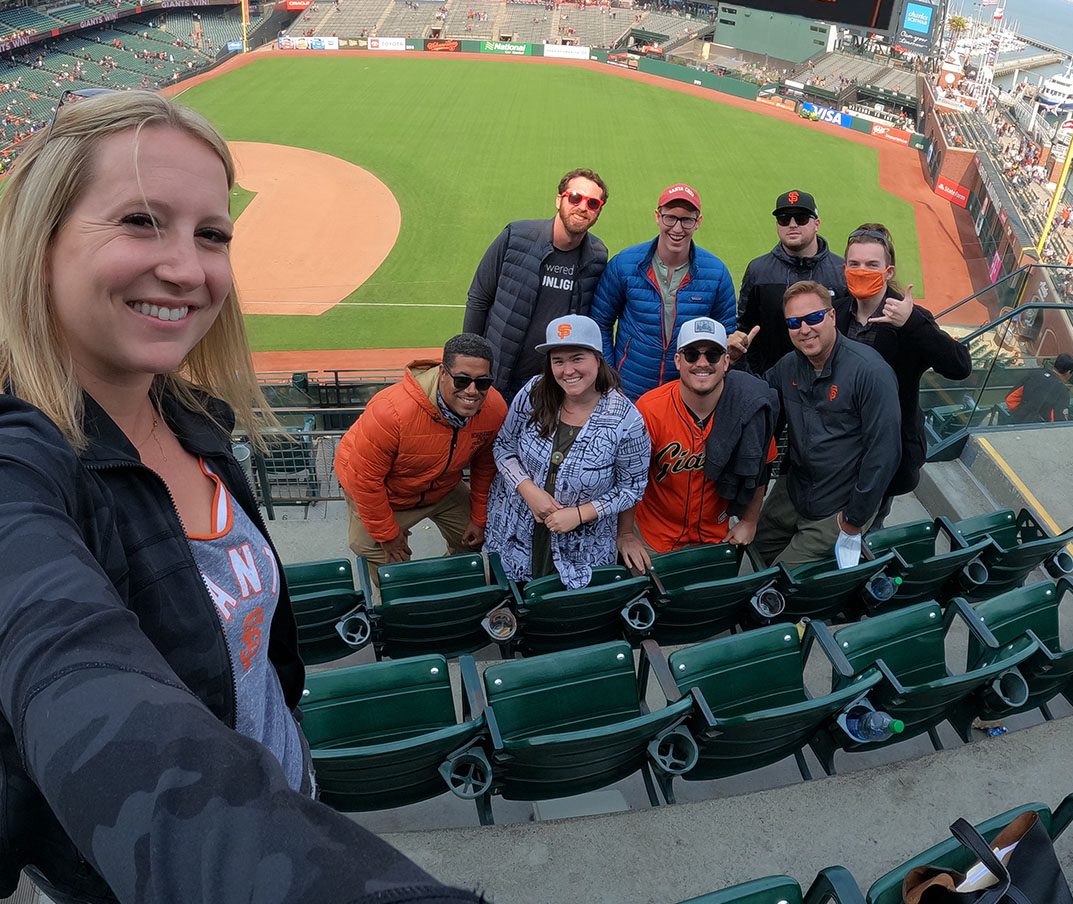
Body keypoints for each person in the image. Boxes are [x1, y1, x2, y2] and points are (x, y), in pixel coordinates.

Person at [0, 93, 480, 903]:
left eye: (213, 234)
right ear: (38, 244)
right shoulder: (20, 472)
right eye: (141, 222)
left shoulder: (194, 419)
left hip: (288, 789)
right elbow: (80, 679)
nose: (188, 268)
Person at [484, 314, 650, 589]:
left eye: (577, 358)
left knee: (566, 614)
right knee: (514, 607)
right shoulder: (534, 392)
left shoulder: (626, 419)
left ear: (597, 357)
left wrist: (580, 514)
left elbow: (632, 488)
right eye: (557, 361)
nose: (567, 370)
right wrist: (529, 490)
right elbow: (504, 446)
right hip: (515, 532)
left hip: (583, 547)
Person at [334, 333, 507, 581]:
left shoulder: (494, 407)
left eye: (482, 383)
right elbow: (365, 480)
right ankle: (396, 603)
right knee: (384, 557)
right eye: (461, 380)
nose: (472, 391)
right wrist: (388, 536)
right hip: (386, 492)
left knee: (474, 539)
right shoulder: (391, 412)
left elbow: (485, 466)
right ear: (442, 373)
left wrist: (479, 520)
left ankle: (451, 583)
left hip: (442, 485)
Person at [754, 281, 901, 567]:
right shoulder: (788, 365)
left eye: (814, 318)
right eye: (794, 322)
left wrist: (853, 520)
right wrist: (730, 362)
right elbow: (755, 396)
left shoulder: (870, 372)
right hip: (795, 489)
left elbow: (884, 454)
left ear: (832, 316)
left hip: (838, 504)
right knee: (756, 549)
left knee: (780, 580)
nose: (805, 329)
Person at [836, 223, 972, 529]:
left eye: (872, 265)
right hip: (839, 445)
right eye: (854, 264)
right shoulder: (837, 310)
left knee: (864, 529)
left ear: (888, 271)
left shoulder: (912, 318)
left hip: (884, 454)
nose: (861, 271)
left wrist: (911, 323)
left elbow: (959, 366)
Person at [617, 317, 778, 574]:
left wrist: (749, 521)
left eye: (713, 354)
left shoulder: (748, 406)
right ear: (678, 361)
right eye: (692, 354)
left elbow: (761, 467)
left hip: (716, 536)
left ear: (726, 361)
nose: (702, 363)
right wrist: (625, 533)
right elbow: (628, 478)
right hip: (653, 537)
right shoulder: (650, 409)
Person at [463, 167, 609, 398]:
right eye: (575, 198)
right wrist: (470, 360)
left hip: (551, 385)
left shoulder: (597, 257)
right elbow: (479, 299)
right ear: (559, 200)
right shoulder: (515, 237)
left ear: (599, 212)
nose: (582, 207)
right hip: (496, 376)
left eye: (593, 204)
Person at [591, 184, 737, 401]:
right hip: (628, 392)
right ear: (657, 216)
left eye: (687, 220)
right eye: (670, 218)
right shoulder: (625, 264)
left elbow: (725, 334)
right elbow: (600, 322)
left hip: (684, 396)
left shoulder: (715, 273)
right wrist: (610, 377)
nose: (677, 229)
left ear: (698, 222)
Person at [729, 190, 848, 376]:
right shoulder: (758, 270)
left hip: (831, 380)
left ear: (816, 224)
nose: (792, 225)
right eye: (784, 219)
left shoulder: (841, 271)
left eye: (801, 218)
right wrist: (758, 378)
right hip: (774, 381)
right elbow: (745, 329)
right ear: (777, 226)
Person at [1006, 353, 1073, 423]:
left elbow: (1010, 399)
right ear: (1068, 372)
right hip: (1039, 430)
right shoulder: (1063, 392)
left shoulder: (1034, 374)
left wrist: (1021, 413)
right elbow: (1058, 421)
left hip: (1017, 421)